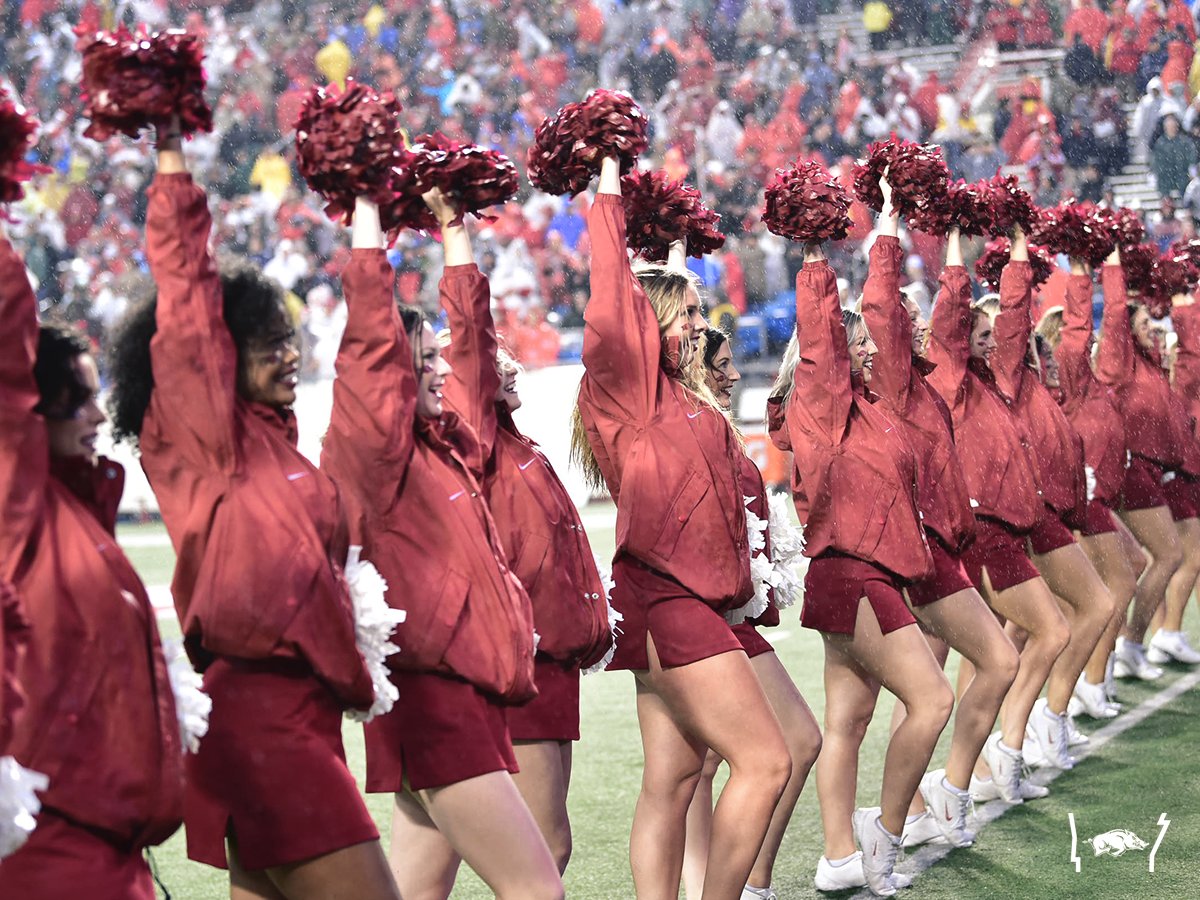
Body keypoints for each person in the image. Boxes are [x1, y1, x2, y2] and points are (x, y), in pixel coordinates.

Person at [107, 125, 400, 899]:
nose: (290, 353)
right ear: (224, 357)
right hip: (262, 716)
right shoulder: (203, 440)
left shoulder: (280, 445)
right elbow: (186, 298)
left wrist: (368, 221)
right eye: (269, 343)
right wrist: (171, 155)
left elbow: (371, 362)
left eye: (289, 337)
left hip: (302, 714)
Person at [320, 192, 562, 900]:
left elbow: (477, 356)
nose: (437, 369)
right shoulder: (370, 454)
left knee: (416, 894)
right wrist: (366, 211)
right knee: (537, 888)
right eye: (420, 357)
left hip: (454, 695)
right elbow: (368, 330)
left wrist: (455, 231)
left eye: (435, 355)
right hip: (432, 700)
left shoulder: (446, 446)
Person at [571, 156, 791, 900]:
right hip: (671, 603)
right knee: (767, 761)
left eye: (701, 313)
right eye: (688, 316)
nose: (703, 327)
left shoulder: (686, 401)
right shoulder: (629, 396)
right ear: (649, 326)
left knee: (672, 780)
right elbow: (611, 301)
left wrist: (671, 258)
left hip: (678, 604)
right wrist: (607, 187)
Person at [0, 228, 184, 897]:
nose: (98, 414)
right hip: (52, 844)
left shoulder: (81, 509)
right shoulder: (15, 508)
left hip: (109, 838)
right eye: (75, 399)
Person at [768, 236, 953, 897]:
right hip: (855, 574)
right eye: (862, 346)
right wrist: (818, 254)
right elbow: (820, 340)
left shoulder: (862, 413)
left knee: (847, 722)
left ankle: (840, 854)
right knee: (932, 700)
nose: (874, 351)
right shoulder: (822, 405)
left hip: (853, 576)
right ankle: (888, 829)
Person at [436, 195, 615, 876]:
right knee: (545, 851)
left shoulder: (521, 444)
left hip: (552, 659)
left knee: (458, 862)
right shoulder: (476, 442)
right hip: (524, 659)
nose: (505, 365)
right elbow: (469, 339)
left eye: (509, 360)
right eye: (494, 362)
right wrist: (456, 237)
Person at [862, 179, 1018, 853]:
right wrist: (890, 225)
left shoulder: (940, 378)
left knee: (922, 695)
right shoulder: (898, 382)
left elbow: (952, 312)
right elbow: (883, 307)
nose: (929, 328)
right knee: (994, 663)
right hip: (919, 554)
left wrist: (955, 234)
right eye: (913, 323)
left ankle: (919, 807)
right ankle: (921, 807)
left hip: (943, 548)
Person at [925, 227, 1070, 804]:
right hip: (982, 533)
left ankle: (984, 768)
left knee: (987, 657)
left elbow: (1015, 318)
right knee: (1049, 632)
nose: (988, 343)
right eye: (977, 336)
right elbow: (951, 324)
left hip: (1006, 529)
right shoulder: (952, 385)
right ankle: (1001, 755)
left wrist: (1017, 248)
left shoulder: (1003, 382)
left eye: (993, 337)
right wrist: (956, 246)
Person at [682, 329, 822, 900]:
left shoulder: (718, 428)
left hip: (734, 618)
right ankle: (708, 884)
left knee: (786, 745)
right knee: (698, 767)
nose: (734, 375)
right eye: (721, 364)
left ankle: (746, 880)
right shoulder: (687, 430)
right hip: (707, 619)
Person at [987, 242, 1116, 768]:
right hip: (1012, 518)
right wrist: (1031, 261)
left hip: (1045, 514)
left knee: (1024, 633)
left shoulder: (1038, 383)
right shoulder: (1003, 380)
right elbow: (1023, 323)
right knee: (1081, 611)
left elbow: (1069, 339)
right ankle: (1035, 723)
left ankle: (1024, 732)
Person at [1035, 262, 1145, 719]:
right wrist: (1091, 269)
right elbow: (1092, 329)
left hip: (1089, 500)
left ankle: (1091, 676)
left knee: (1125, 571)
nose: (1092, 344)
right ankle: (1083, 684)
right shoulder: (1072, 379)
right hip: (1078, 503)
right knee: (1102, 592)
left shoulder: (1091, 383)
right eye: (1082, 340)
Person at [1095, 250, 1185, 682]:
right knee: (1167, 555)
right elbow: (1114, 317)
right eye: (1145, 326)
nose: (1154, 332)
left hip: (1152, 469)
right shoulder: (1123, 363)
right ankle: (1128, 645)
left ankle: (1117, 651)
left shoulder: (1151, 365)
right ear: (1126, 337)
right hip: (1130, 469)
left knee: (1148, 560)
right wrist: (1113, 262)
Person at [1154, 290, 1200, 663]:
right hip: (1181, 477)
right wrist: (1184, 296)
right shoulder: (1182, 387)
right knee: (1189, 557)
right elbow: (1190, 347)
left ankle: (1163, 633)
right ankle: (1165, 632)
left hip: (1191, 476)